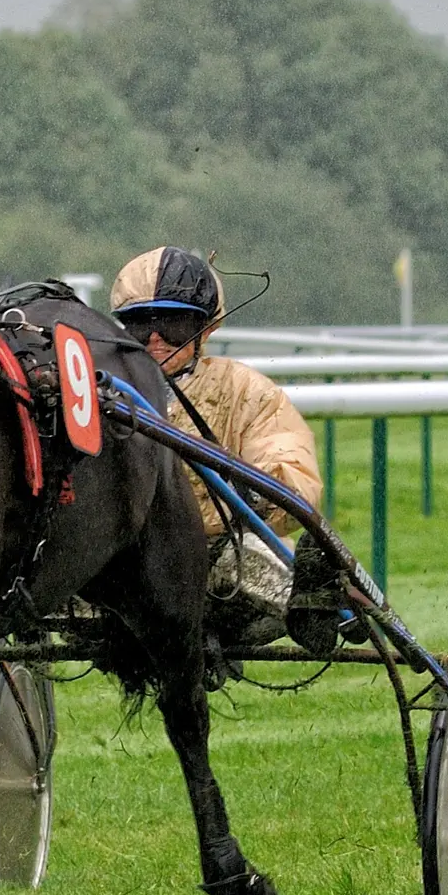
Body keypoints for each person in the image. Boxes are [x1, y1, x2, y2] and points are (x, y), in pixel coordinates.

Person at [110, 246, 324, 642]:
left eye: (173, 324)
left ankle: (309, 603)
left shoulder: (247, 391)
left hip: (219, 554)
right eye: (142, 325)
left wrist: (259, 496)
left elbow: (294, 470)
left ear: (206, 328)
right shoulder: (97, 390)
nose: (156, 339)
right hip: (124, 558)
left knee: (258, 563)